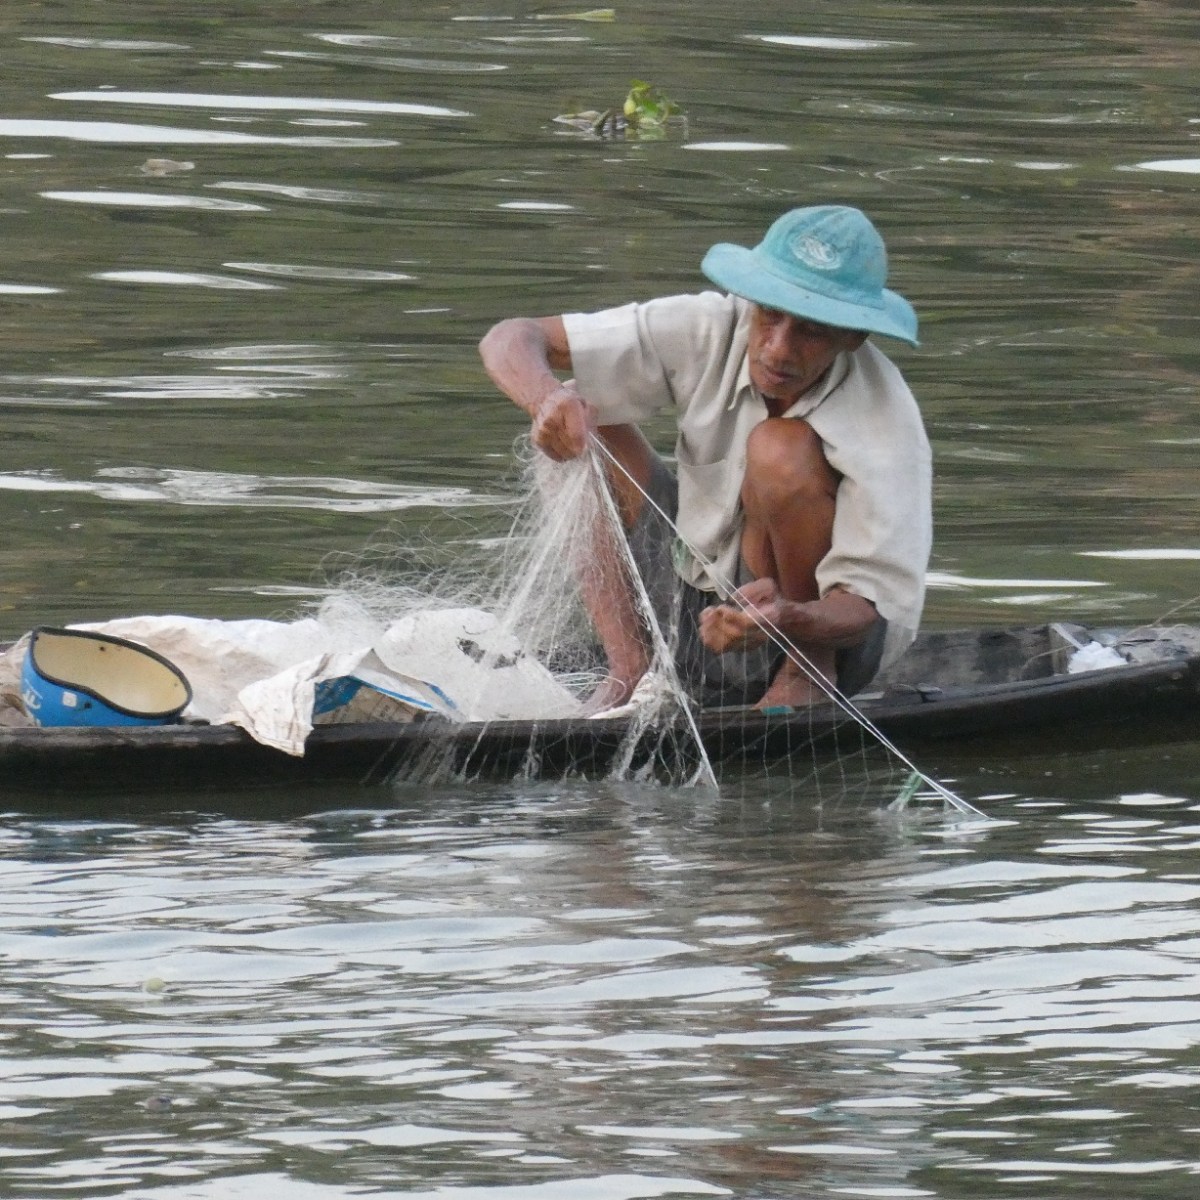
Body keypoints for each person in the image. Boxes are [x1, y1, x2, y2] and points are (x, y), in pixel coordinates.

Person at [478, 204, 931, 712]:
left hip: (824, 635)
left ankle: (805, 670)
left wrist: (787, 617)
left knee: (777, 448)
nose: (778, 350)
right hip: (695, 603)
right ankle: (630, 671)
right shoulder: (709, 326)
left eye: (811, 331)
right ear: (751, 301)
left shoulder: (884, 418)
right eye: (770, 316)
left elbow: (865, 610)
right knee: (581, 419)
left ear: (852, 336)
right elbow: (514, 337)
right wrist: (545, 400)